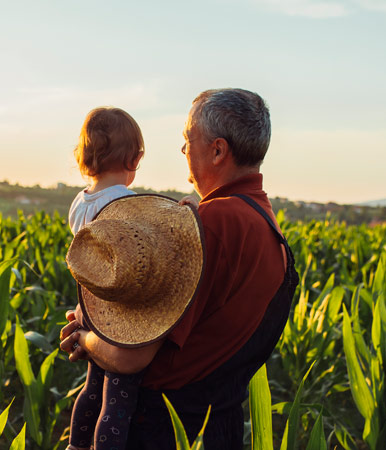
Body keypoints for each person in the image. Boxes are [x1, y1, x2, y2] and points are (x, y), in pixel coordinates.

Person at [61, 88, 299, 449]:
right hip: (217, 427)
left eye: (188, 141)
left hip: (162, 428)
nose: (184, 152)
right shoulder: (267, 225)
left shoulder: (207, 227)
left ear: (217, 150)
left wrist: (85, 339)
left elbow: (130, 357)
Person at [66, 106, 146, 450]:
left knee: (92, 387)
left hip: (87, 305)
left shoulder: (79, 203)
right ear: (135, 158)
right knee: (118, 398)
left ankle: (76, 445)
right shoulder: (125, 203)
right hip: (115, 315)